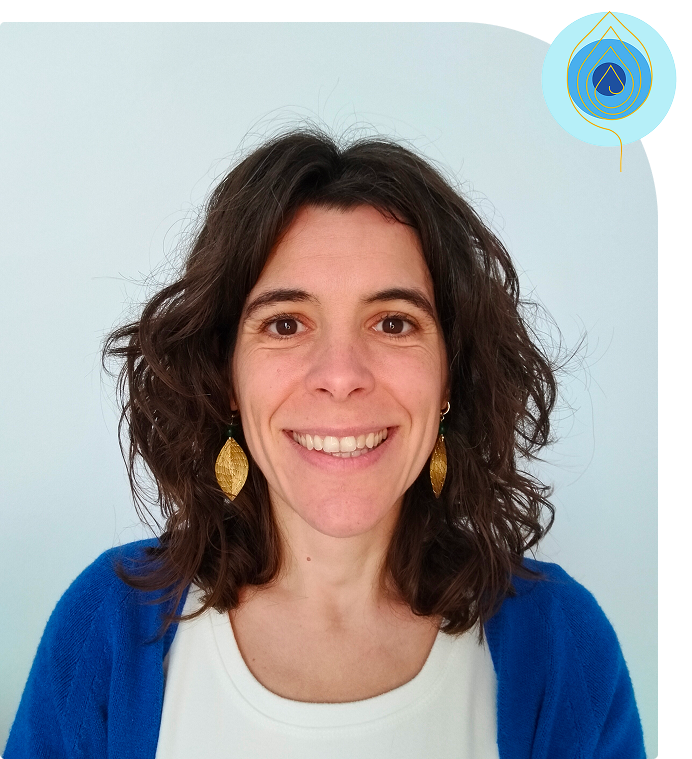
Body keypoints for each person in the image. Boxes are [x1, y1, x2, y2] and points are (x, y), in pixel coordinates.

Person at [4, 129, 645, 758]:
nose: (341, 376)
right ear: (226, 376)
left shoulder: (561, 643)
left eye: (393, 322)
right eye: (286, 324)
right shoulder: (109, 623)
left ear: (451, 374)